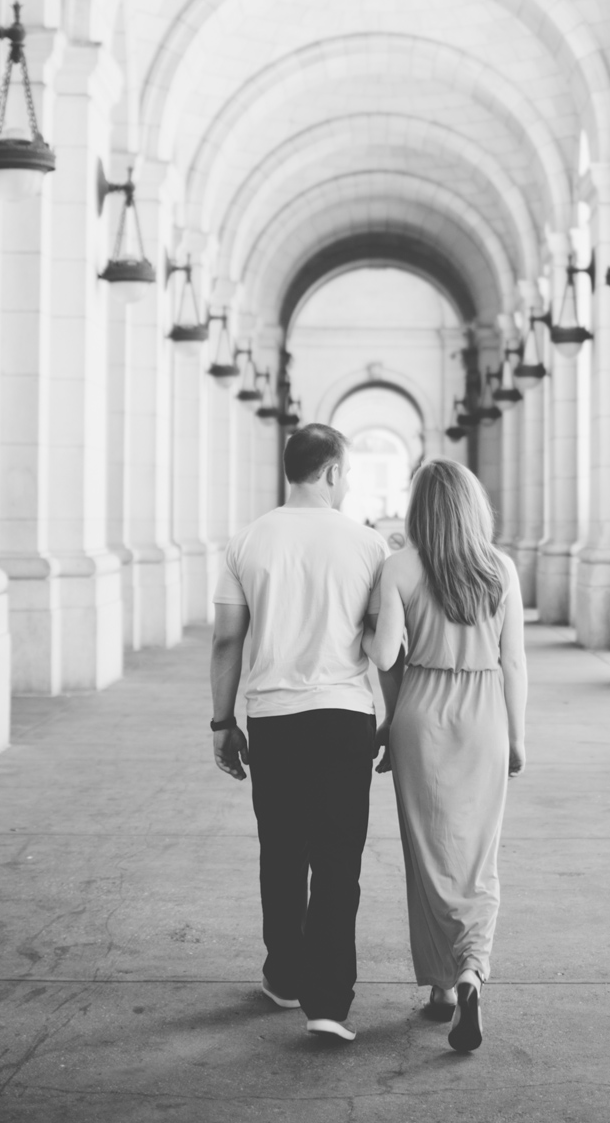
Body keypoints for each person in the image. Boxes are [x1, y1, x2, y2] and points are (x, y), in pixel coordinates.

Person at [209, 424, 389, 1042]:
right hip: (344, 716)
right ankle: (328, 1003)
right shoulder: (368, 547)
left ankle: (284, 976)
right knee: (339, 860)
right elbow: (380, 642)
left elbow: (227, 639)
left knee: (281, 853)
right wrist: (387, 719)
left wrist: (221, 721)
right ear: (334, 472)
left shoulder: (248, 540)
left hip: (274, 717)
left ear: (292, 469)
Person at [368, 457, 528, 1053]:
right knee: (478, 854)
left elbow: (385, 657)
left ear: (419, 507)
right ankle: (468, 973)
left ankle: (439, 988)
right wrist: (517, 734)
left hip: (421, 713)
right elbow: (514, 661)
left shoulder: (400, 566)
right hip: (485, 711)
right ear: (472, 505)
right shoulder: (499, 568)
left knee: (430, 855)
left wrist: (367, 631)